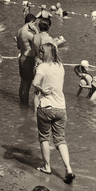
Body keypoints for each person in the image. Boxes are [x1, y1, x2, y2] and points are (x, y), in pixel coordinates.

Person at [30, 42, 75, 183]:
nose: (39, 54)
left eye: (41, 52)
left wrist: (41, 89)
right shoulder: (60, 66)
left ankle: (47, 167)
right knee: (60, 139)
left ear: (45, 53)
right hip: (61, 107)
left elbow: (35, 83)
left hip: (46, 107)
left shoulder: (43, 67)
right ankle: (68, 168)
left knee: (44, 137)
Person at [16, 12, 38, 105]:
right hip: (28, 60)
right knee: (27, 85)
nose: (35, 26)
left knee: (22, 83)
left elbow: (18, 47)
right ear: (31, 22)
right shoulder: (28, 34)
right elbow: (38, 42)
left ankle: (21, 105)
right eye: (34, 24)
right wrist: (36, 31)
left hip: (22, 57)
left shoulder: (19, 31)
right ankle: (25, 107)